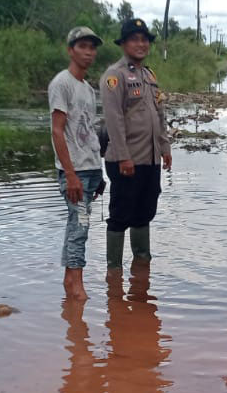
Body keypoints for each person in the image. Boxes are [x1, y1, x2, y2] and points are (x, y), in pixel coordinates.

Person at [101, 18, 172, 269]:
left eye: (144, 39)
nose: (141, 44)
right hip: (126, 160)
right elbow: (114, 119)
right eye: (135, 39)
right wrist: (123, 157)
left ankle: (142, 267)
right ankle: (114, 272)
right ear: (124, 43)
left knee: (144, 212)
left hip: (150, 159)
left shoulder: (148, 75)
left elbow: (159, 115)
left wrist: (165, 148)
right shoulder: (114, 76)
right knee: (121, 214)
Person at [49, 25, 107, 299]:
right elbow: (57, 130)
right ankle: (77, 285)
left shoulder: (87, 89)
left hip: (90, 170)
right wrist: (70, 175)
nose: (88, 52)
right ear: (70, 50)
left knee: (77, 224)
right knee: (80, 226)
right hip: (75, 173)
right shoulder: (62, 83)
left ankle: (69, 280)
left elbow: (89, 132)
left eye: (92, 47)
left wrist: (100, 173)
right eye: (82, 46)